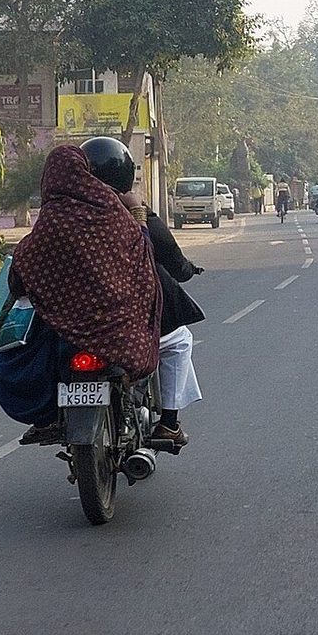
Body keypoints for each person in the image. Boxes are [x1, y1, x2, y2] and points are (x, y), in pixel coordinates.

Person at [0, 140, 159, 446]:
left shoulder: (50, 220)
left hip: (66, 329)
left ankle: (46, 419)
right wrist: (138, 212)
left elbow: (19, 276)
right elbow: (143, 255)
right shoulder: (113, 213)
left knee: (17, 355)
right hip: (115, 330)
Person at [118, 186, 205, 448]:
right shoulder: (130, 219)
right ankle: (169, 422)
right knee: (178, 342)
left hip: (72, 326)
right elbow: (156, 256)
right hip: (126, 324)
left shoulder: (60, 217)